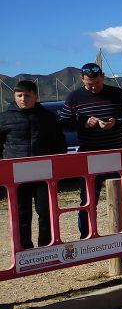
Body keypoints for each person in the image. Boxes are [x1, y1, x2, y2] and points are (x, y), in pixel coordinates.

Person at [58, 63, 122, 238]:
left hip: (116, 154)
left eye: (96, 83)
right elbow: (63, 123)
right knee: (88, 200)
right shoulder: (74, 97)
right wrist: (84, 123)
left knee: (120, 198)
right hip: (89, 155)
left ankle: (121, 235)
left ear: (103, 76)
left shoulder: (116, 93)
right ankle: (86, 236)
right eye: (89, 84)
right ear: (82, 79)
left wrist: (116, 122)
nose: (93, 87)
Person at [0, 80, 67, 248]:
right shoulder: (4, 118)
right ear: (14, 97)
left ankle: (47, 246)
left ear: (36, 96)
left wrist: (57, 165)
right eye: (19, 95)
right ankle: (24, 247)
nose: (23, 99)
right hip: (17, 174)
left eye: (27, 95)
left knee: (46, 211)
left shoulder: (48, 117)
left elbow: (59, 143)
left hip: (44, 172)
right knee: (22, 212)